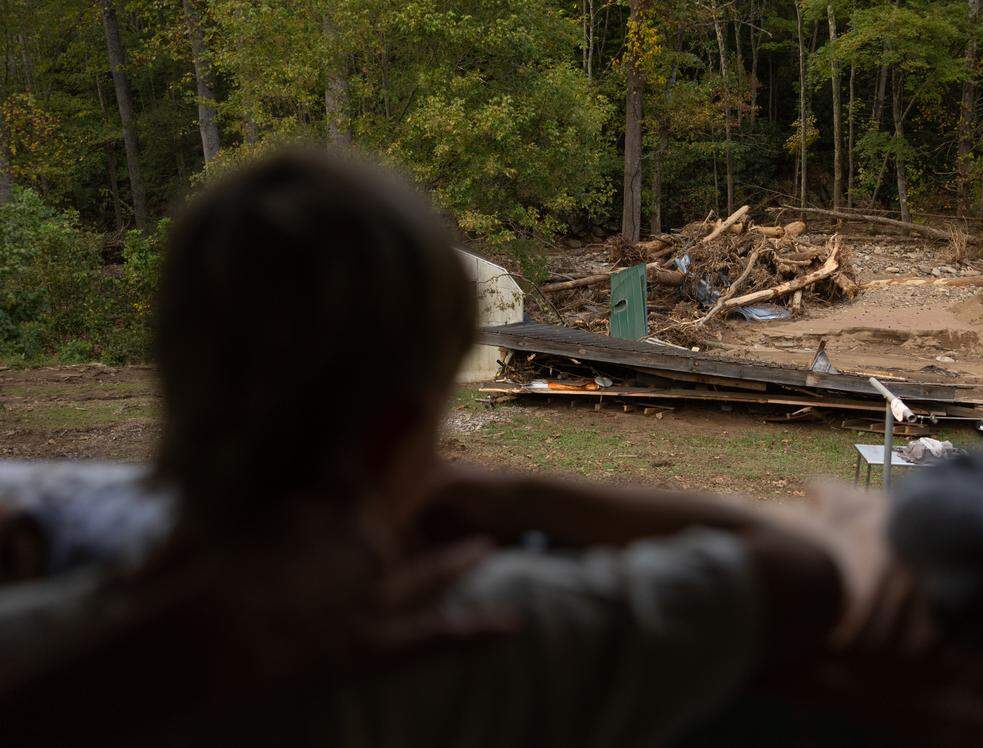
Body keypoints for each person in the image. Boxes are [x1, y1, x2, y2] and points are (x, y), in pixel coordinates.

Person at [0, 148, 846, 746]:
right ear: (407, 423)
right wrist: (512, 496)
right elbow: (803, 573)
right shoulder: (487, 631)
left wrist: (138, 648)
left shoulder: (54, 643)